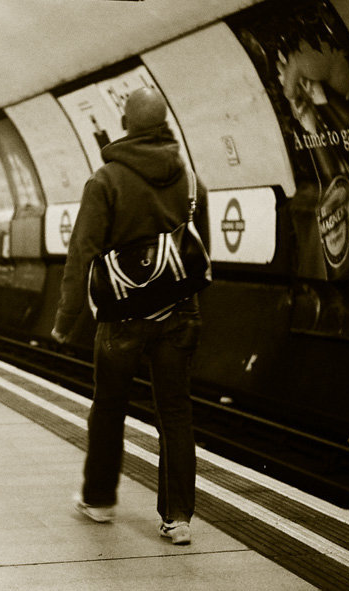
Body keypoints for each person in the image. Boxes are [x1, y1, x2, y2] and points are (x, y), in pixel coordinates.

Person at [51, 87, 210, 545]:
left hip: (121, 317)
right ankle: (177, 517)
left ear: (126, 124)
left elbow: (81, 253)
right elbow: (200, 255)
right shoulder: (192, 179)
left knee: (109, 409)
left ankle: (99, 500)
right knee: (176, 413)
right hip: (180, 313)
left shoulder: (105, 182)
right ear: (163, 124)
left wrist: (66, 317)